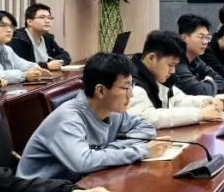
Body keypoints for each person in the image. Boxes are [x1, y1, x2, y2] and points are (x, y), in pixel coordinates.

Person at [17, 53, 169, 181]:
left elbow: (146, 128)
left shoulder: (112, 111)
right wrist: (141, 151)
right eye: (125, 87)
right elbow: (83, 162)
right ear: (100, 91)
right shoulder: (68, 118)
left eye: (131, 86)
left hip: (78, 185)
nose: (131, 94)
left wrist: (112, 149)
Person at [128, 31, 224, 128]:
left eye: (175, 65)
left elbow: (178, 100)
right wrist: (199, 114)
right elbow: (148, 117)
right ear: (151, 58)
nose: (173, 71)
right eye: (170, 65)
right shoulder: (131, 81)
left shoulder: (158, 77)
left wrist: (205, 102)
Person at [9, 3, 71, 70]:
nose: (47, 21)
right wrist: (46, 66)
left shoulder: (47, 38)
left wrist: (55, 63)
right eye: (42, 17)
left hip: (46, 75)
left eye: (49, 18)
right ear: (29, 22)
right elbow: (17, 66)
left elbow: (65, 55)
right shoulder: (18, 39)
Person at [173, 14, 218, 97]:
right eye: (201, 37)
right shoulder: (176, 61)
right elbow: (199, 91)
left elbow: (219, 79)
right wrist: (209, 82)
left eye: (207, 37)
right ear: (184, 38)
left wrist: (205, 85)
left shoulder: (195, 59)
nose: (205, 42)